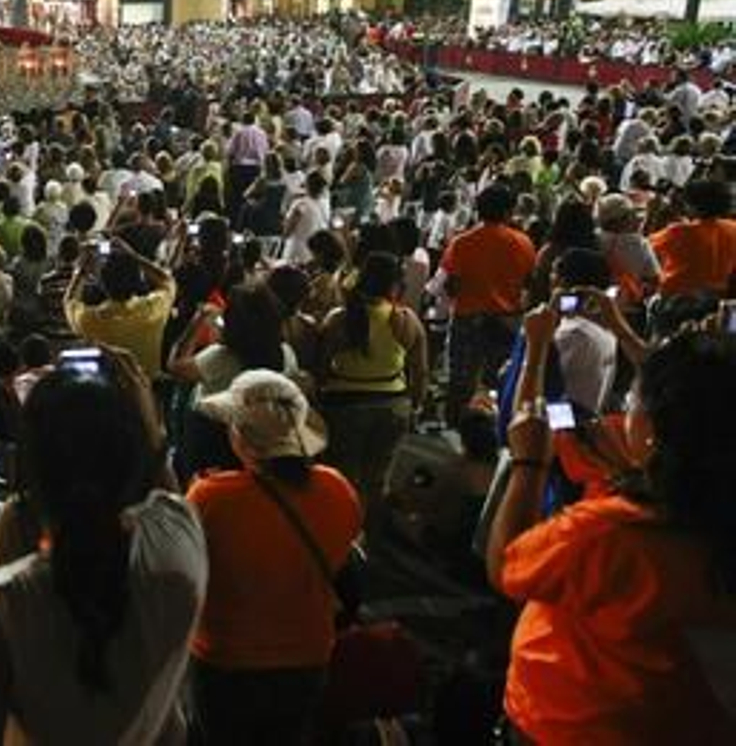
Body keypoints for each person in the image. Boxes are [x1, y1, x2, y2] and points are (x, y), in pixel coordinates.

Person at [487, 318, 736, 743]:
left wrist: (529, 465)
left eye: (633, 399)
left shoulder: (610, 536)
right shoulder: (703, 512)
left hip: (568, 725)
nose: (624, 409)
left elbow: (506, 562)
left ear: (654, 429)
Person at [0, 361, 205, 745]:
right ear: (131, 458)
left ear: (31, 469)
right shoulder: (180, 538)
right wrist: (147, 417)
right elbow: (161, 484)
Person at [187, 369, 362, 746]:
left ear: (242, 438)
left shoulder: (209, 498)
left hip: (225, 661)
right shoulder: (338, 489)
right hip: (309, 656)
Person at [315, 252, 429, 516]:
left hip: (343, 407)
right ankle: (372, 535)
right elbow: (420, 374)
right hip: (393, 406)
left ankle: (343, 531)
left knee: (343, 478)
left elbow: (320, 368)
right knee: (377, 479)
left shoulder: (339, 318)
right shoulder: (405, 320)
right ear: (395, 285)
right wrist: (415, 407)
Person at [440, 184, 536, 423]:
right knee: (501, 379)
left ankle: (455, 424)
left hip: (468, 318)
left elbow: (451, 284)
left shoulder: (462, 243)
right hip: (507, 320)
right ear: (507, 212)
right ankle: (497, 425)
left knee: (461, 378)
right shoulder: (523, 242)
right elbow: (528, 283)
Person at [64, 236, 178, 379]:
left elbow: (69, 302)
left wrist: (80, 271)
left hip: (111, 391)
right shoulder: (152, 309)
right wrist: (133, 256)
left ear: (102, 285)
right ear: (137, 280)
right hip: (148, 386)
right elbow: (167, 281)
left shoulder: (91, 319)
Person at [648, 178, 736, 300]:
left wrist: (652, 213)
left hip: (677, 301)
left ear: (692, 205)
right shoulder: (733, 227)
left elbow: (644, 249)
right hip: (718, 300)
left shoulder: (679, 231)